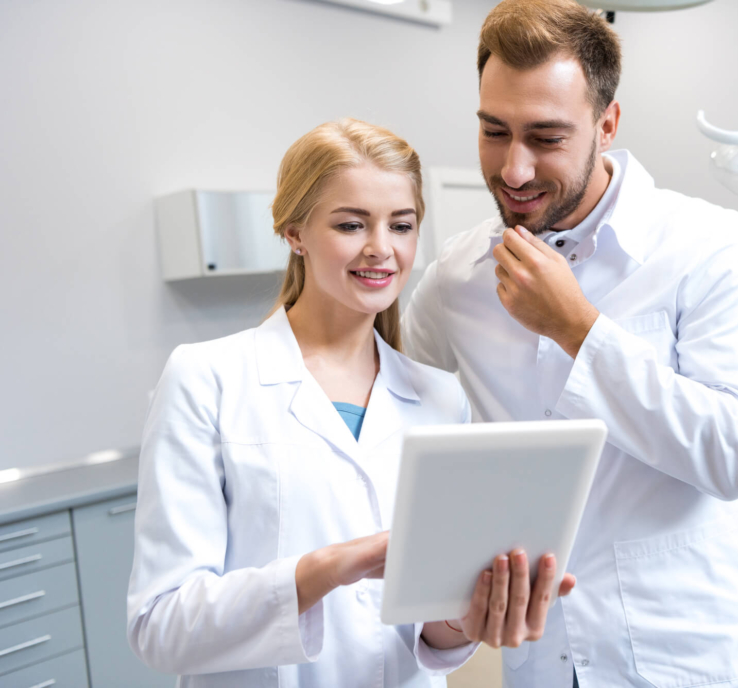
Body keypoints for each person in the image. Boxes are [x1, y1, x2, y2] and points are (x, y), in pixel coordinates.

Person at [401, 2, 738, 687]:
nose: (513, 170)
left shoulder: (704, 247)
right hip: (544, 662)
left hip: (689, 659)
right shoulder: (456, 281)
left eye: (546, 137)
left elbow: (737, 454)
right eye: (494, 131)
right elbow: (399, 425)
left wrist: (580, 331)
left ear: (607, 125)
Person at [127, 118, 572, 688]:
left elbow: (425, 632)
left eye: (401, 225)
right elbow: (159, 626)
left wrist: (466, 619)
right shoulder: (206, 378)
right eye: (350, 224)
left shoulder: (439, 397)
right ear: (294, 231)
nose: (381, 249)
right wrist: (325, 570)